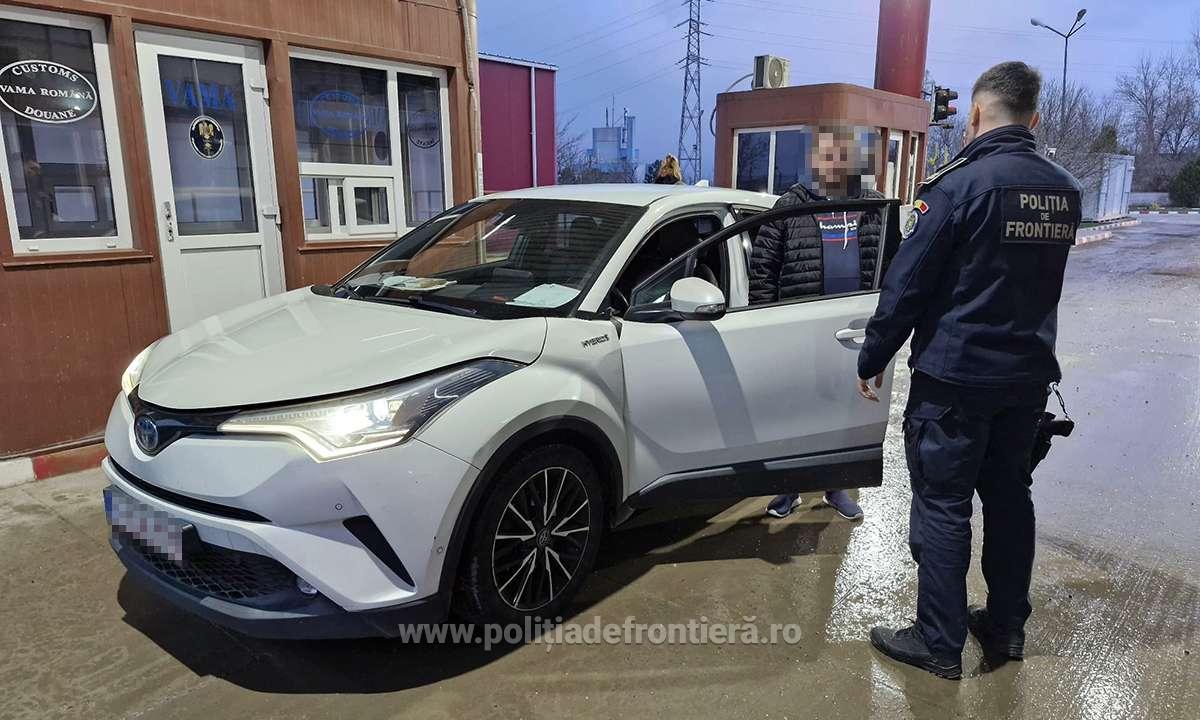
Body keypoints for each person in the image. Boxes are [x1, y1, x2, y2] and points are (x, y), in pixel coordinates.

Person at [855, 61, 1081, 680]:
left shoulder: (958, 186)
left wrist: (873, 355)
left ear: (975, 115)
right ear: (1035, 119)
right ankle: (1006, 627)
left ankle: (939, 641)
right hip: (1026, 382)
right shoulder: (1063, 190)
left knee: (943, 506)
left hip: (954, 383)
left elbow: (907, 285)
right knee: (1009, 499)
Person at [751, 124, 884, 522]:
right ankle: (789, 487)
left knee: (843, 412)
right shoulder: (790, 205)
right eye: (826, 155)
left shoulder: (874, 206)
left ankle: (836, 487)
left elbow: (890, 267)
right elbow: (763, 269)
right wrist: (763, 329)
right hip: (799, 329)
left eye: (841, 155)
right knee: (796, 412)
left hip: (853, 332)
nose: (833, 163)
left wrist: (884, 333)